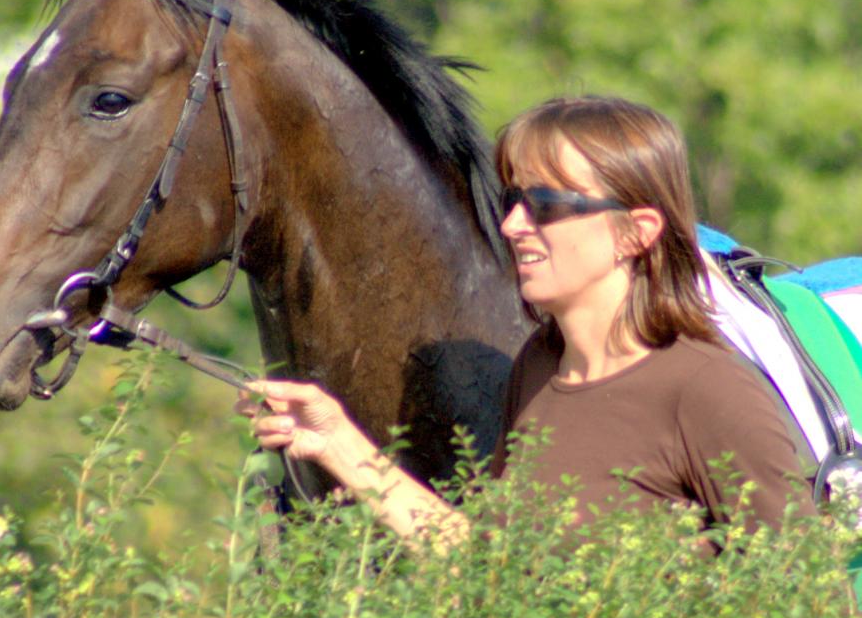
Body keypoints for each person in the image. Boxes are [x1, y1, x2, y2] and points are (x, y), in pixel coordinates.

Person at [237, 95, 814, 547]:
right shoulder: (537, 368)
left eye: (546, 205)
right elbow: (492, 569)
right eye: (510, 201)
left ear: (636, 233)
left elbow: (803, 602)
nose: (513, 225)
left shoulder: (708, 389)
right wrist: (335, 441)